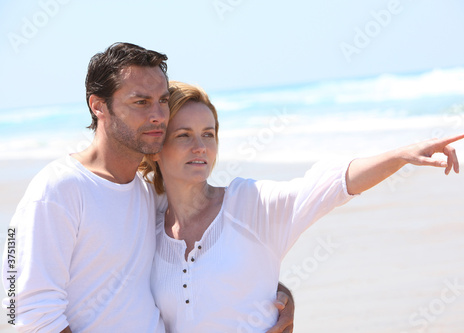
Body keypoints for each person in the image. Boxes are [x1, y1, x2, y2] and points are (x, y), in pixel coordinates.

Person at [1, 43, 293, 333]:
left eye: (163, 101)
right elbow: (24, 310)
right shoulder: (57, 190)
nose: (158, 115)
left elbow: (206, 267)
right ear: (99, 106)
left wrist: (279, 296)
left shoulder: (149, 194)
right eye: (141, 102)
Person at [140, 81, 464, 333]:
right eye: (184, 135)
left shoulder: (253, 205)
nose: (200, 147)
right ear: (156, 146)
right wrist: (280, 292)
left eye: (208, 134)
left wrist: (401, 155)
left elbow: (331, 183)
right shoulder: (143, 223)